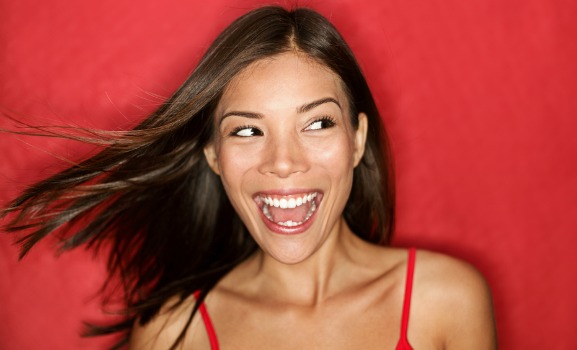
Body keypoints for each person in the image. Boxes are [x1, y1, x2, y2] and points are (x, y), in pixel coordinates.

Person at [2, 6, 496, 349]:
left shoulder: (445, 299)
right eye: (247, 130)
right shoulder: (174, 332)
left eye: (318, 123)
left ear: (358, 139)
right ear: (214, 155)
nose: (282, 162)